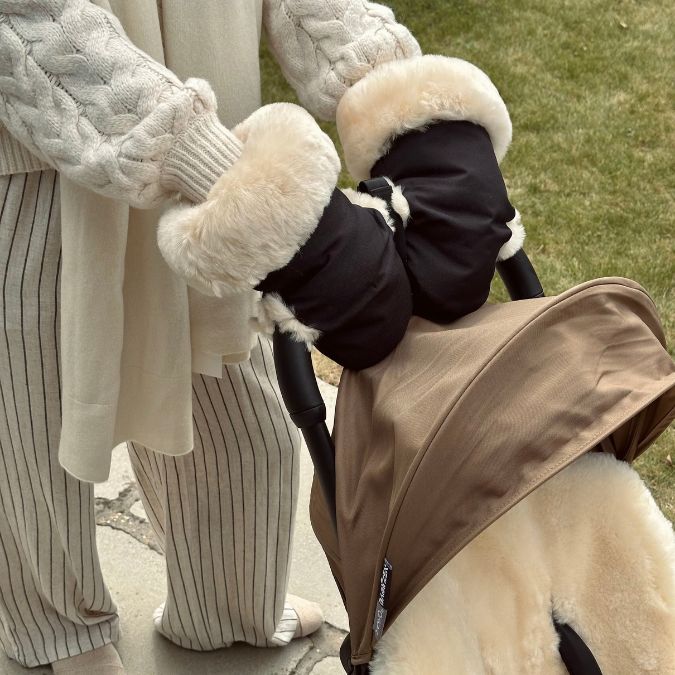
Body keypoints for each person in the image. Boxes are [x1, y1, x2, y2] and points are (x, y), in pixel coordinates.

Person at [0, 1, 420, 673]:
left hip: (206, 133)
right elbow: (28, 25)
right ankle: (59, 631)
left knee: (243, 418)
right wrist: (241, 183)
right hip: (35, 160)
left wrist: (409, 103)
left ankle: (227, 603)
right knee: (31, 415)